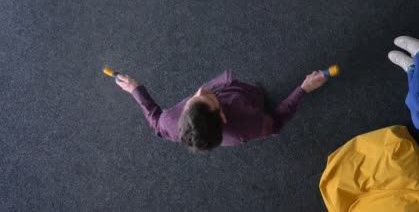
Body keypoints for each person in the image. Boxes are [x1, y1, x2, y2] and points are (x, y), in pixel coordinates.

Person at [114, 70, 327, 151]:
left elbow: (155, 123)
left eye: (193, 99)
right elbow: (277, 122)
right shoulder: (247, 126)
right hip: (249, 101)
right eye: (208, 97)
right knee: (257, 97)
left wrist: (135, 90)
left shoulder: (170, 122)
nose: (202, 89)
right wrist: (304, 89)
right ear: (222, 115)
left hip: (234, 99)